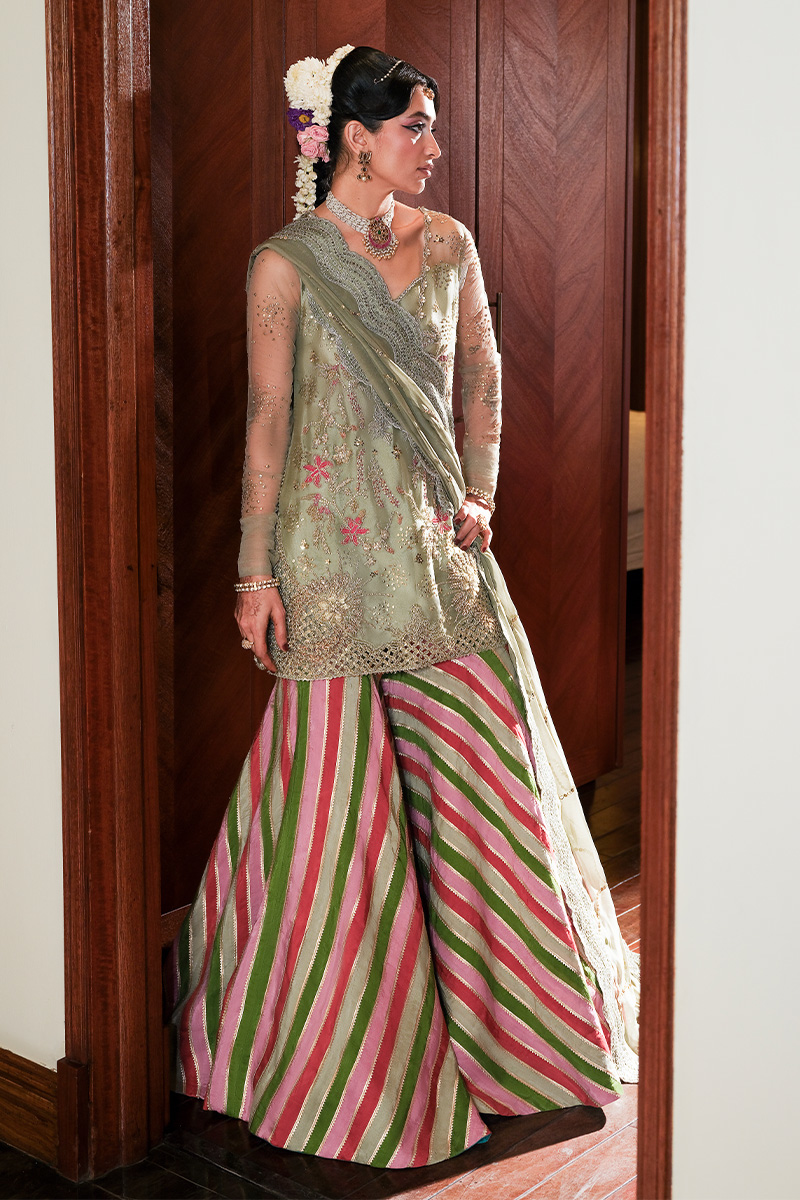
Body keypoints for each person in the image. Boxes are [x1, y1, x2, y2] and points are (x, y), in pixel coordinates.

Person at [165, 44, 640, 1170]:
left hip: (434, 553)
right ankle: (342, 1058)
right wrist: (253, 574)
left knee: (488, 782)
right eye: (415, 126)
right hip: (328, 563)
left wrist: (481, 493)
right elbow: (268, 422)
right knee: (333, 800)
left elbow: (483, 376)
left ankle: (525, 1032)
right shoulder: (283, 266)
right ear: (352, 137)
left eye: (430, 125)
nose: (433, 145)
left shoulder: (450, 244)